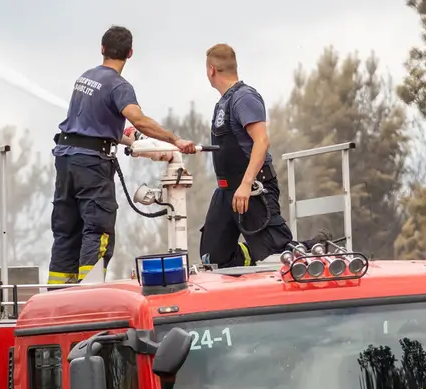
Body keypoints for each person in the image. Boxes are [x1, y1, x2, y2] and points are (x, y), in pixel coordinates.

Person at [48, 26, 195, 286]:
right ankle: (88, 296)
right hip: (91, 165)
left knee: (66, 231)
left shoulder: (85, 78)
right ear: (130, 53)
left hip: (66, 159)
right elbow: (138, 119)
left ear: (102, 48)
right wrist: (175, 140)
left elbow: (93, 124)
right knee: (98, 230)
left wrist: (130, 138)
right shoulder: (119, 86)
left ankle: (58, 295)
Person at [198, 44, 295, 269]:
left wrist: (246, 184)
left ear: (211, 70)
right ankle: (252, 255)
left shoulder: (244, 97)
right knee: (212, 259)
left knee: (276, 255)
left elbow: (262, 142)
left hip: (252, 188)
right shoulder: (222, 102)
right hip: (226, 192)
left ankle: (312, 248)